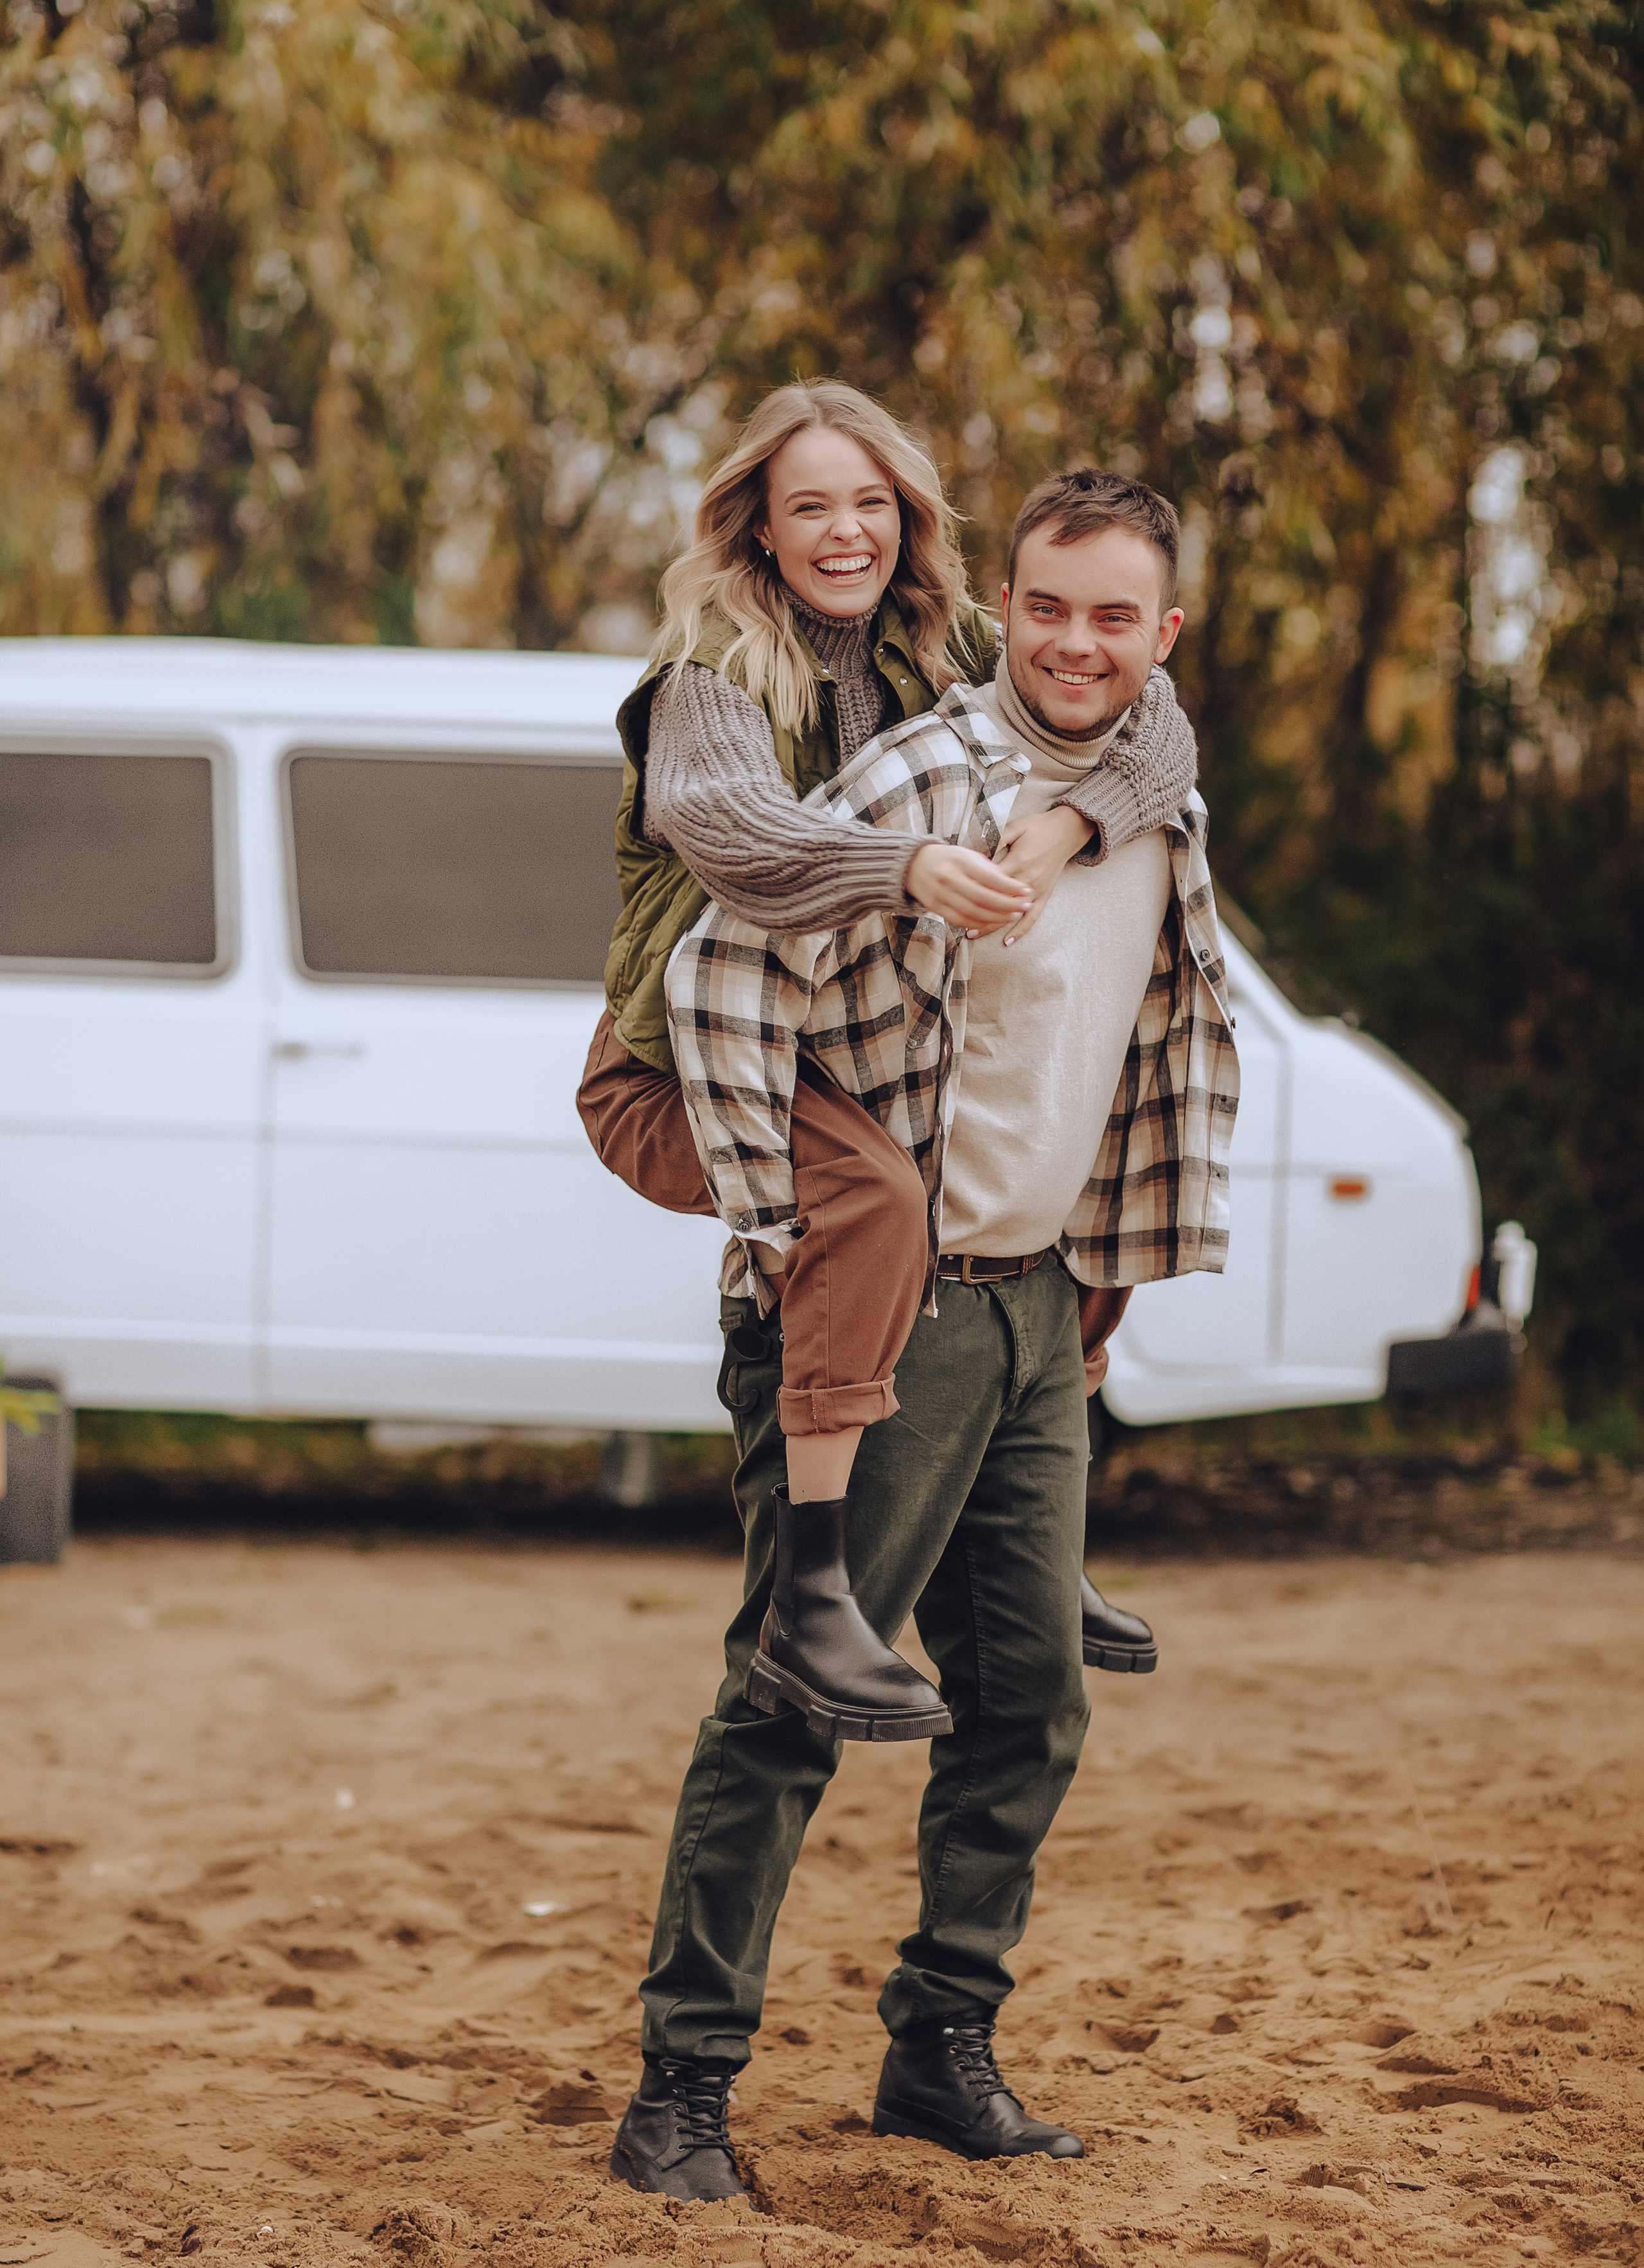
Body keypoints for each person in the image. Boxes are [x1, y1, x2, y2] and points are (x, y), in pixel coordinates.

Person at [608, 467, 1239, 2200]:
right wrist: (778, 1199)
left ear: (1162, 634)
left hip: (1041, 1311)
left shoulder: (1152, 799)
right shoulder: (918, 778)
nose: (1077, 642)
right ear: (1005, 605)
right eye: (1048, 605)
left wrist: (1106, 1277)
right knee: (797, 1700)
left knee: (1030, 1701)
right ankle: (682, 2089)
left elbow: (1142, 1047)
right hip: (890, 1317)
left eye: (1117, 615)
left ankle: (937, 2041)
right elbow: (721, 972)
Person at [577, 384, 1198, 1731]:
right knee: (873, 1200)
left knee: (1076, 1142)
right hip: (676, 1062)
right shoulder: (710, 675)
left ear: (907, 518)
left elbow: (1151, 720)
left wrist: (1071, 824)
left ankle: (1036, 1557)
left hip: (817, 1057)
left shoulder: (945, 640)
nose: (844, 531)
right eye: (809, 505)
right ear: (757, 525)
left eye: (870, 502)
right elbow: (732, 831)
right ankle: (816, 1596)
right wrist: (906, 862)